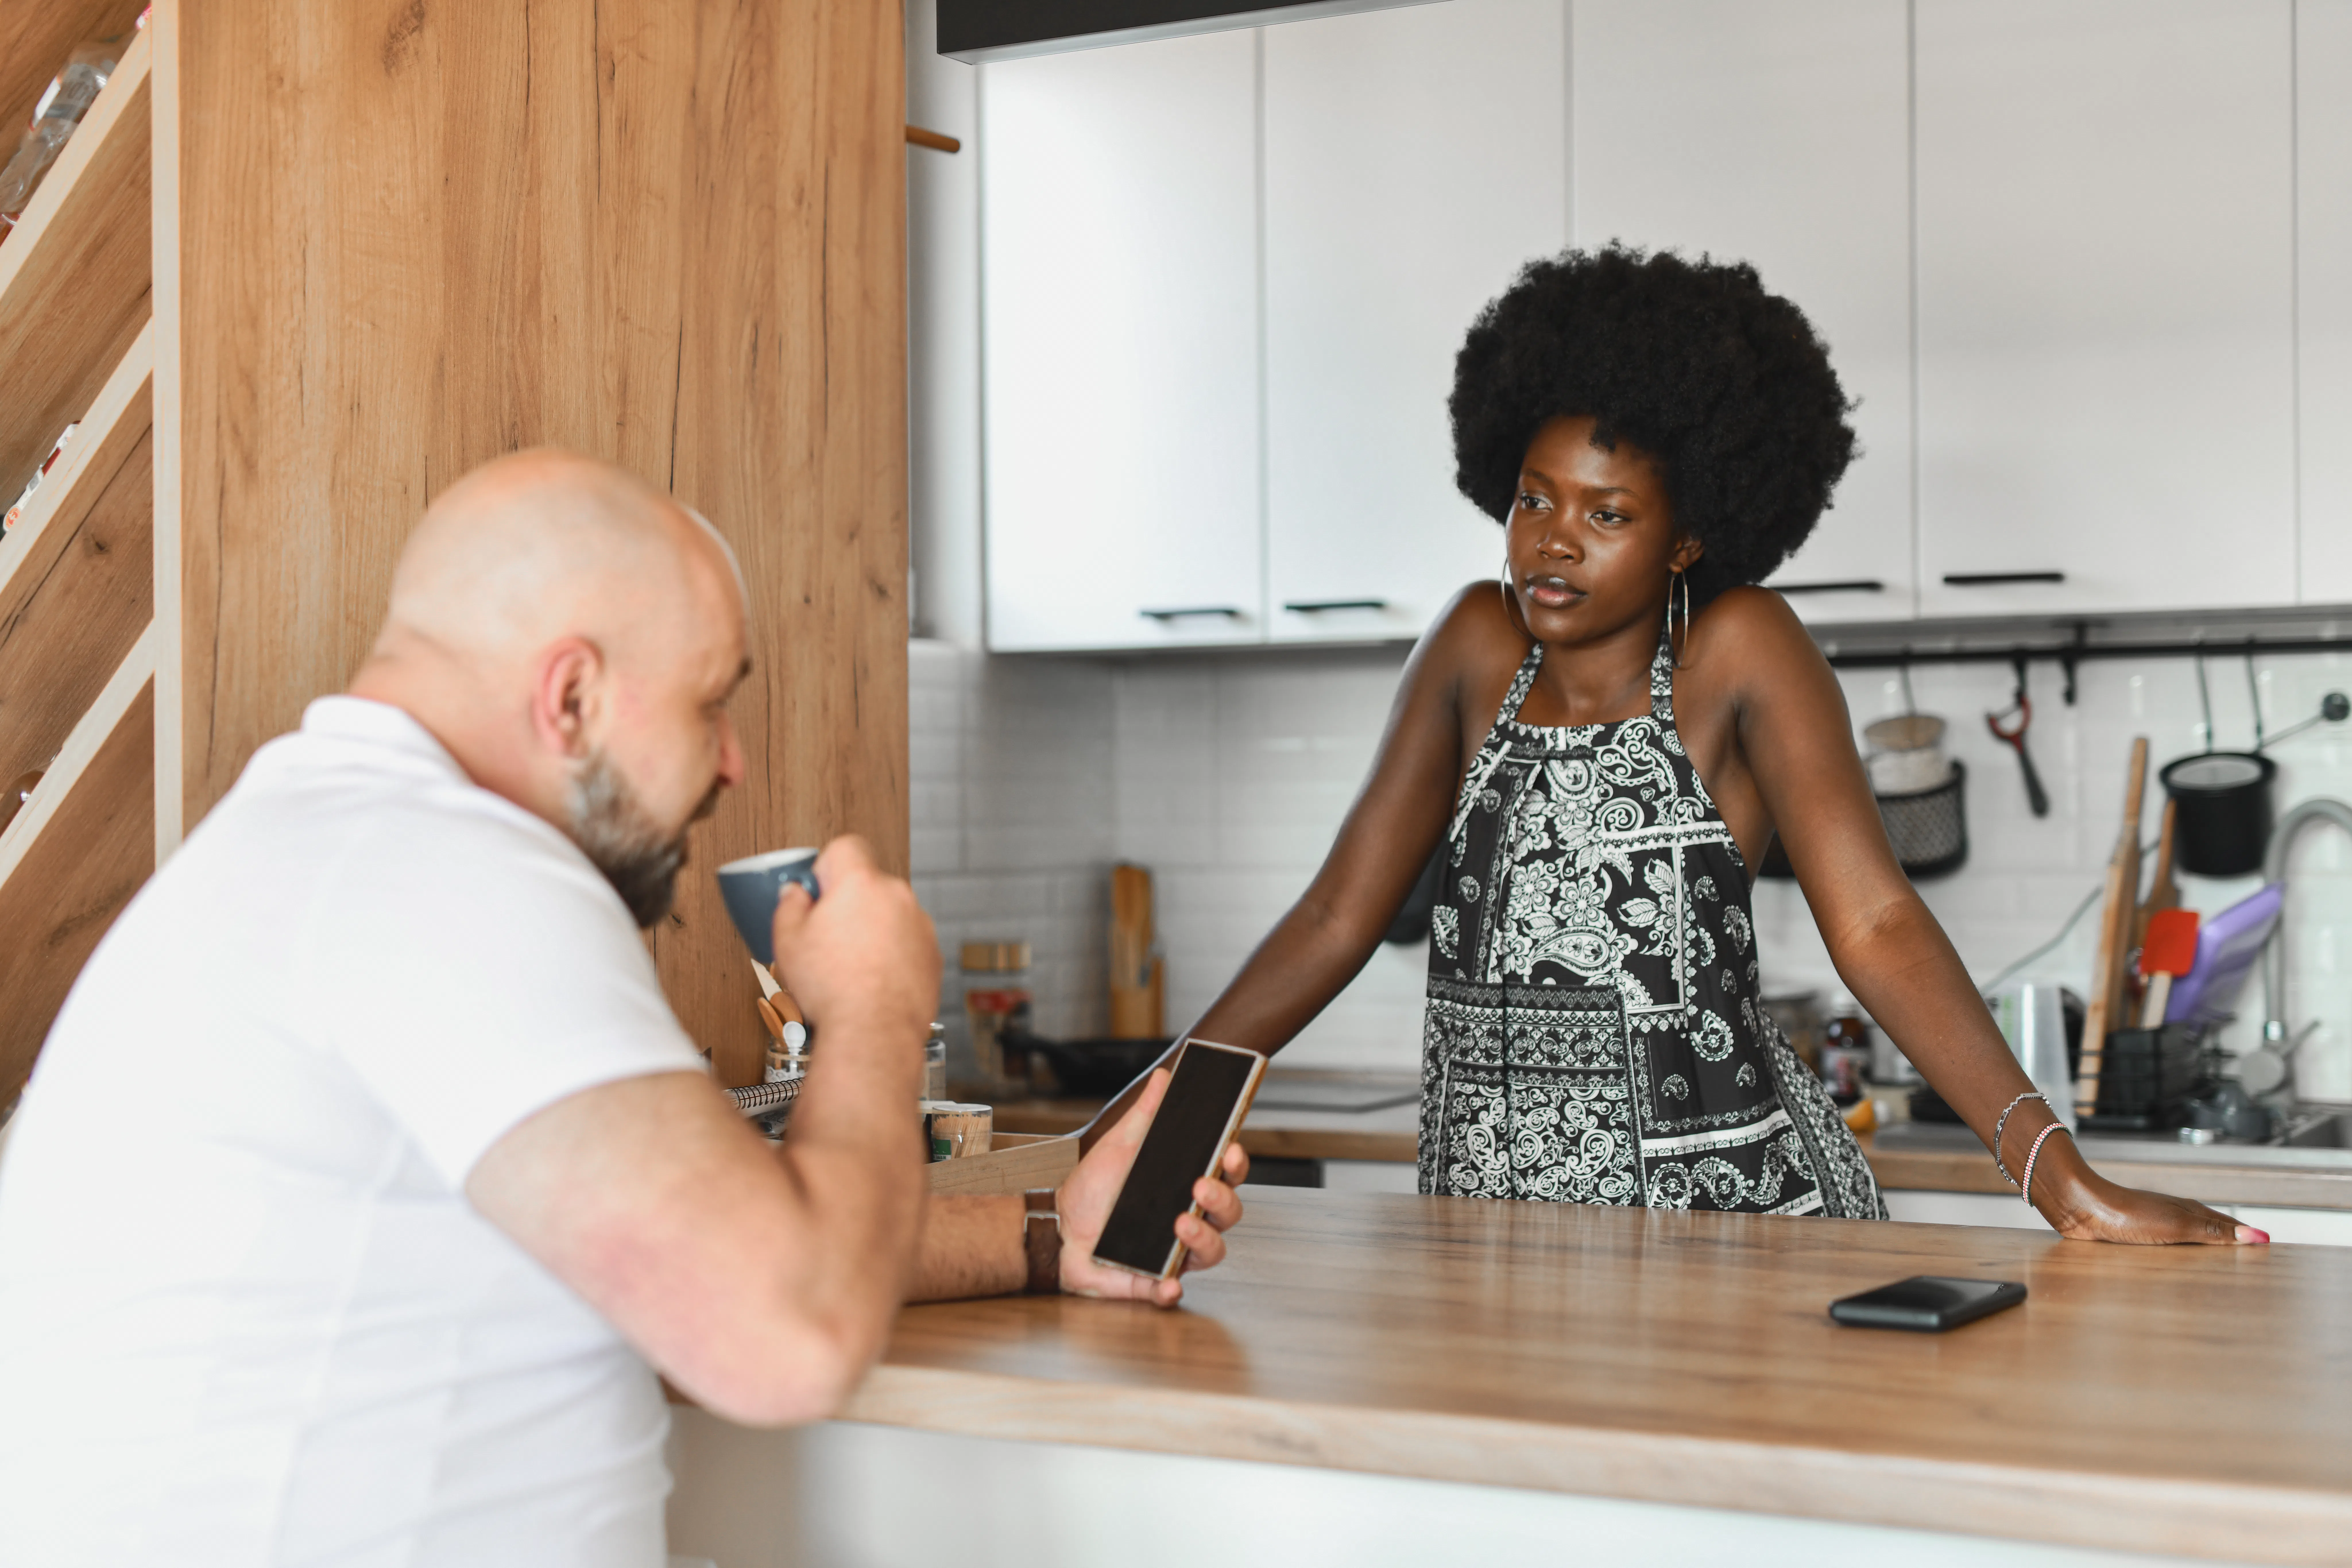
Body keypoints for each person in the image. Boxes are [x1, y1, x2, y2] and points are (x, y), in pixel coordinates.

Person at [0, 450, 1247, 1567]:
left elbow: (700, 1234)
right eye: (713, 701)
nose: (732, 761)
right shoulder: (452, 873)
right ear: (573, 698)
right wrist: (871, 1004)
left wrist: (1046, 1235)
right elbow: (783, 1337)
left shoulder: (333, 848)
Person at [1103, 247, 2258, 1243]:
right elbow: (1332, 919)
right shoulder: (1468, 646)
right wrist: (1139, 1129)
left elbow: (1875, 921)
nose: (1552, 545)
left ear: (1684, 536)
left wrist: (2064, 1186)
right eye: (1533, 501)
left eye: (1605, 515)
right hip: (1485, 1223)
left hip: (1728, 1221)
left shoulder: (1740, 651)